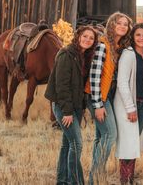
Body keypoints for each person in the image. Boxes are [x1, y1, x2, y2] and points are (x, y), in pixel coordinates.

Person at [45, 26, 98, 185]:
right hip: (64, 106)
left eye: (91, 38)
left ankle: (62, 181)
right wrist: (67, 112)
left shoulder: (85, 56)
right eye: (85, 36)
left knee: (67, 144)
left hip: (76, 106)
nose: (87, 40)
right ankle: (75, 182)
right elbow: (62, 86)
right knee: (77, 144)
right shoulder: (66, 54)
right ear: (78, 36)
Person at [86, 12, 133, 184]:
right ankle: (94, 178)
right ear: (111, 24)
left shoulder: (118, 47)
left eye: (125, 24)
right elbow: (95, 76)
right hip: (97, 96)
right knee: (110, 134)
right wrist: (98, 104)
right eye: (118, 23)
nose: (122, 26)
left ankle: (95, 178)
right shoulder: (103, 45)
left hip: (107, 96)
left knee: (101, 136)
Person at [114, 23, 143, 184]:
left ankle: (130, 178)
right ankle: (125, 179)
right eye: (138, 35)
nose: (141, 38)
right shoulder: (128, 54)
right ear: (132, 37)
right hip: (129, 105)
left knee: (134, 141)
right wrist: (130, 108)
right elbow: (122, 82)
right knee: (128, 142)